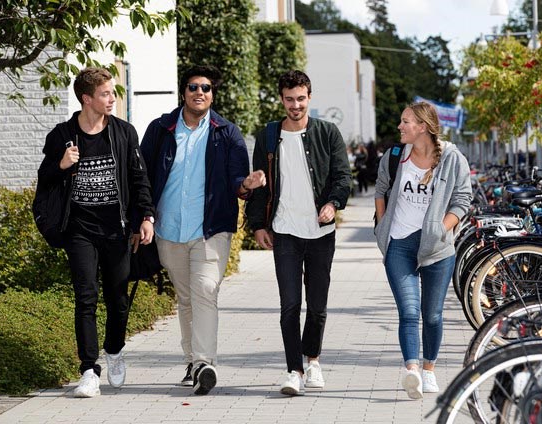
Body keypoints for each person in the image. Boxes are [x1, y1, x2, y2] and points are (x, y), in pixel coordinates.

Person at [140, 65, 265, 395]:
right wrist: (144, 216)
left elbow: (238, 180)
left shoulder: (227, 132)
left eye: (206, 88)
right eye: (194, 86)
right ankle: (192, 360)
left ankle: (204, 362)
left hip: (211, 231)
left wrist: (247, 185)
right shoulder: (161, 130)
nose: (200, 92)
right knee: (186, 298)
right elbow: (142, 177)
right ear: (184, 92)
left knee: (205, 292)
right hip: (169, 231)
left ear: (212, 94)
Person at [37, 67, 155, 398]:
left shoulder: (123, 132)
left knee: (117, 300)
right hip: (80, 230)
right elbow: (44, 180)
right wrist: (60, 165)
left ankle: (114, 350)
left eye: (113, 92)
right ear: (87, 99)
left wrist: (145, 217)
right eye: (106, 93)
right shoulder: (61, 136)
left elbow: (138, 178)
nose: (112, 98)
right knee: (85, 297)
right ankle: (89, 370)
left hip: (116, 231)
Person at [246, 70, 352, 396]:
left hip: (320, 232)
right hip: (285, 233)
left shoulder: (328, 133)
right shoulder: (267, 136)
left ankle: (314, 360)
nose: (295, 105)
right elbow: (260, 183)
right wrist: (258, 225)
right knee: (290, 305)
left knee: (317, 305)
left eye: (301, 99)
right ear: (282, 99)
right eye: (289, 99)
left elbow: (342, 177)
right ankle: (294, 370)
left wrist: (333, 204)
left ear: (309, 97)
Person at [373, 101, 471, 399]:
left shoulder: (452, 159)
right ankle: (412, 370)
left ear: (423, 127)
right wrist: (381, 227)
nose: (400, 127)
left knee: (432, 316)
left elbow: (462, 199)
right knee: (409, 312)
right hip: (399, 244)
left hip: (437, 249)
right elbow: (380, 190)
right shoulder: (394, 156)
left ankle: (429, 369)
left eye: (406, 122)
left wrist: (443, 229)